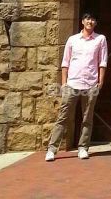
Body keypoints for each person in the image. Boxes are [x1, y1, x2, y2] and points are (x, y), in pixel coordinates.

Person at [46, 11, 107, 161]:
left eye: (93, 19)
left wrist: (100, 82)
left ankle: (83, 147)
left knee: (87, 118)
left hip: (90, 84)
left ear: (96, 23)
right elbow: (65, 62)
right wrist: (64, 83)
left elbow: (102, 62)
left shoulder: (100, 39)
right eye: (87, 18)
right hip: (72, 83)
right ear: (82, 21)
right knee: (63, 116)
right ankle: (52, 149)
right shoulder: (73, 40)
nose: (90, 21)